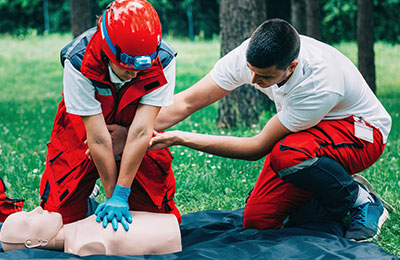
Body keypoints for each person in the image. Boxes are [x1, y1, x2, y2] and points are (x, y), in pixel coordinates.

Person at [147, 19, 392, 241]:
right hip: (312, 133)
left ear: (291, 67)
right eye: (251, 70)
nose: (253, 80)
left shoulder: (318, 85)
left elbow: (257, 147)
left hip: (362, 132)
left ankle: (361, 199)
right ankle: (323, 187)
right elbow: (188, 101)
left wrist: (181, 138)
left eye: (264, 76)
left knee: (288, 155)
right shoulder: (249, 55)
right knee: (258, 220)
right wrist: (136, 129)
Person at [39, 0, 180, 232]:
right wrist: (111, 195)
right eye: (125, 66)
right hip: (84, 132)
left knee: (156, 219)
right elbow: (98, 139)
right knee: (57, 223)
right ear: (107, 48)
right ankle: (90, 196)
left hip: (134, 130)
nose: (133, 74)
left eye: (140, 68)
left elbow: (142, 130)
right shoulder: (78, 60)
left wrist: (121, 195)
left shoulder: (163, 59)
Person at [0, 206, 182, 256]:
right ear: (32, 243)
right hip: (171, 238)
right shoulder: (85, 245)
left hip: (169, 228)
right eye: (29, 219)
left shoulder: (79, 230)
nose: (37, 210)